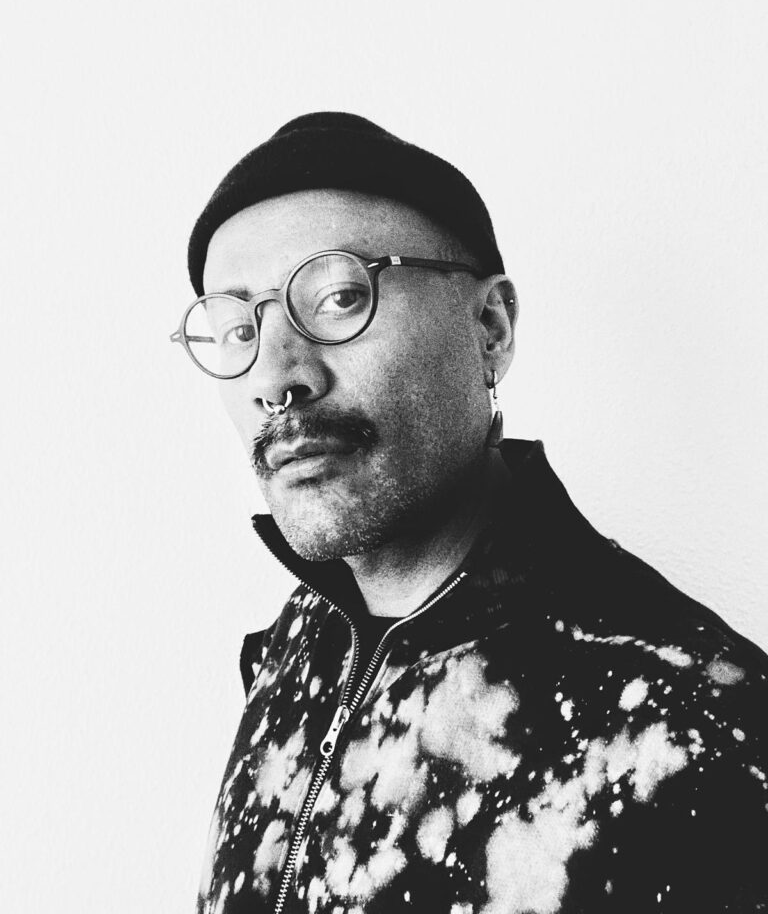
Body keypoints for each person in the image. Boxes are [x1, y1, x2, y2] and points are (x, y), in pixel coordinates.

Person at [172, 112, 768, 914]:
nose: (275, 377)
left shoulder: (695, 727)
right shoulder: (292, 651)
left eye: (340, 297)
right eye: (237, 327)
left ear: (490, 328)